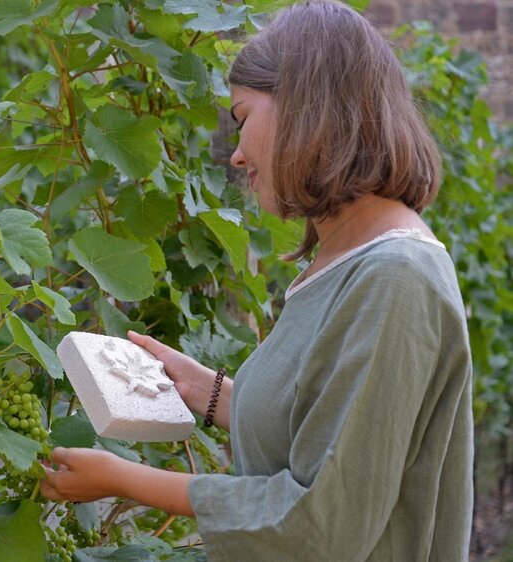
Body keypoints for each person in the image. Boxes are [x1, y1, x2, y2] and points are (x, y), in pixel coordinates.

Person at [40, 1, 474, 560]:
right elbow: (324, 431)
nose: (239, 154)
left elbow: (323, 524)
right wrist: (208, 392)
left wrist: (126, 480)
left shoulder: (394, 279)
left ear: (307, 107)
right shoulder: (349, 261)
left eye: (243, 118)